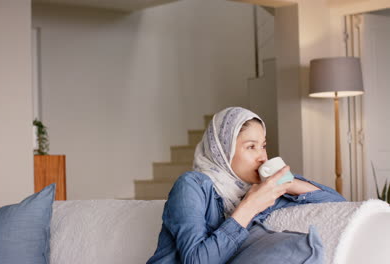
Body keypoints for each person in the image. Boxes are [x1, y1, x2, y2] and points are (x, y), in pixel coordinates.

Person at [146, 107, 345, 264]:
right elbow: (197, 260)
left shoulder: (259, 192)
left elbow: (338, 204)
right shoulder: (191, 186)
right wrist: (249, 207)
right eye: (251, 147)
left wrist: (287, 183)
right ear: (223, 151)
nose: (263, 156)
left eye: (264, 146)